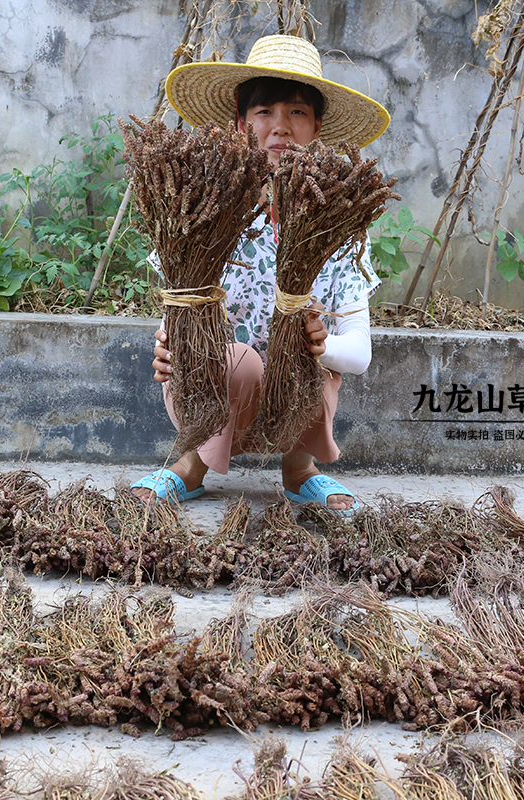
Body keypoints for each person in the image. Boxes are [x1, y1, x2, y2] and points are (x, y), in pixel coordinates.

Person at [132, 34, 390, 513]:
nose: (280, 128)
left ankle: (300, 469)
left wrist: (319, 346)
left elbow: (359, 351)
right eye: (264, 112)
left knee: (307, 356)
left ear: (316, 129)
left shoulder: (336, 226)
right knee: (239, 361)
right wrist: (170, 342)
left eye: (296, 113)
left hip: (298, 399)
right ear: (239, 124)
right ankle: (192, 463)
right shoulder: (202, 214)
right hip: (214, 386)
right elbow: (178, 308)